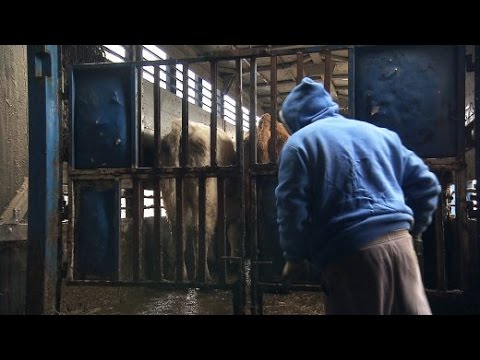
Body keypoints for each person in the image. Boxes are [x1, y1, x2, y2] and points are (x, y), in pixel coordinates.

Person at [275, 77, 441, 315]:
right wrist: (412, 230)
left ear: (293, 119)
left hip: (350, 256)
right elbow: (426, 184)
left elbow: (290, 207)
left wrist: (294, 255)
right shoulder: (381, 134)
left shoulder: (298, 144)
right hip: (403, 249)